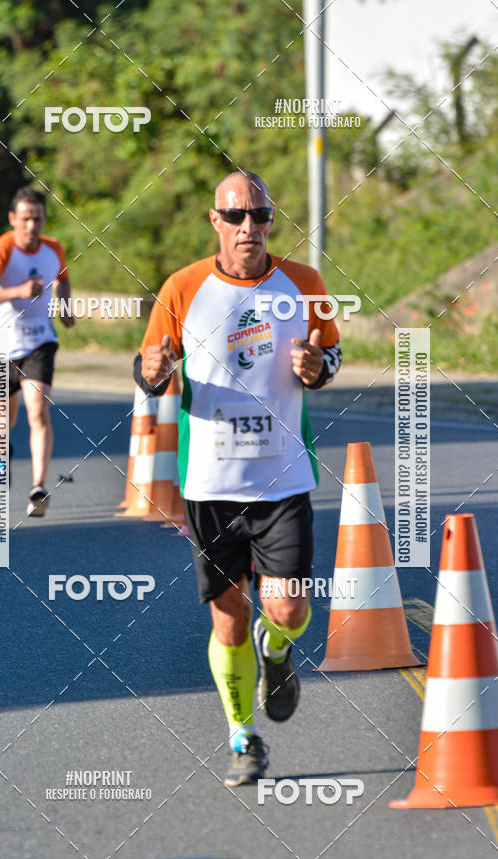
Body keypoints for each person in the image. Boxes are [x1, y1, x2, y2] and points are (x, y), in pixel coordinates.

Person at [134, 171, 341, 786]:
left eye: (259, 215)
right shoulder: (183, 287)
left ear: (272, 219)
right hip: (209, 485)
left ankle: (277, 649)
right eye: (235, 216)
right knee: (227, 616)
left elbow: (330, 355)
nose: (248, 227)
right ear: (214, 220)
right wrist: (152, 368)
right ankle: (242, 738)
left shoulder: (304, 284)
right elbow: (149, 371)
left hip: (282, 479)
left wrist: (316, 366)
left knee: (291, 606)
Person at [0, 187, 74, 517]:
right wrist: (17, 291)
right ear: (13, 219)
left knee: (37, 411)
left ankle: (38, 488)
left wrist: (65, 306)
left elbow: (62, 278)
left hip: (39, 342)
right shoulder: (2, 248)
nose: (32, 226)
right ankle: (3, 457)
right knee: (3, 422)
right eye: (26, 219)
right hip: (1, 345)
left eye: (38, 219)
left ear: (45, 219)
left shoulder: (53, 249)